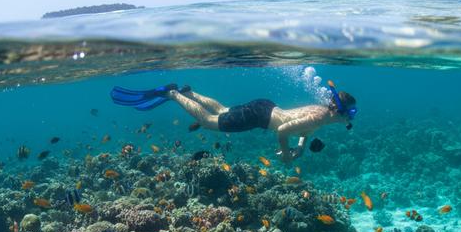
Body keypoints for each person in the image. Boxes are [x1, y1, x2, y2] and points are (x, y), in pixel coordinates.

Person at [110, 81, 356, 163]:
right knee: (208, 121)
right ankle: (174, 94)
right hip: (260, 117)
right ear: (341, 111)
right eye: (351, 113)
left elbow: (306, 128)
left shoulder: (322, 112)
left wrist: (301, 146)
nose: (350, 118)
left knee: (224, 110)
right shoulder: (322, 116)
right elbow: (283, 130)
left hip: (265, 107)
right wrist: (286, 154)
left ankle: (191, 93)